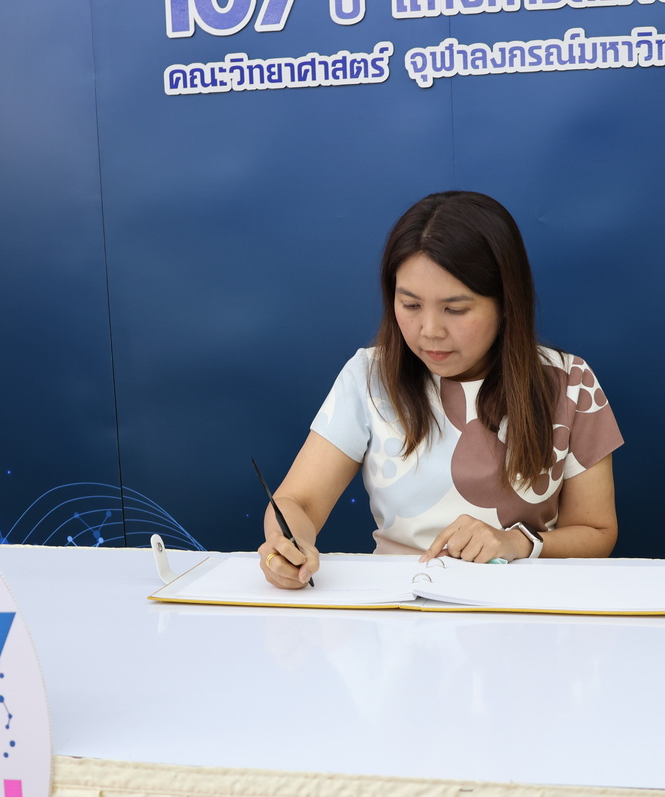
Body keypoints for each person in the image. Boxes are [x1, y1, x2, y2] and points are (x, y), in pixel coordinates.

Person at [259, 190, 622, 589]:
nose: (430, 330)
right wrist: (285, 545)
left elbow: (596, 531)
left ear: (506, 302)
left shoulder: (569, 382)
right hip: (396, 606)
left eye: (455, 309)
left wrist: (518, 542)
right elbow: (298, 502)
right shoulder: (369, 376)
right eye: (410, 305)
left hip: (521, 605)